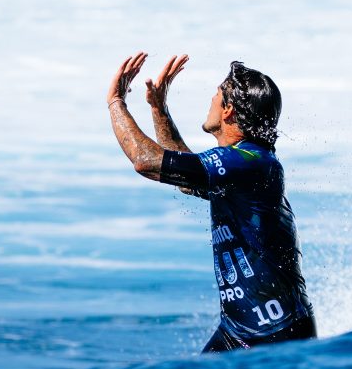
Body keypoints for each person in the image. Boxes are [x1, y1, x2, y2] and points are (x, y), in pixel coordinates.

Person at [106, 51, 316, 352]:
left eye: (215, 96)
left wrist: (116, 102)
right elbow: (183, 175)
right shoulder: (243, 165)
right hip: (237, 330)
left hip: (278, 334)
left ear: (228, 110)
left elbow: (146, 161)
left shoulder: (250, 163)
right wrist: (159, 110)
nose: (210, 103)